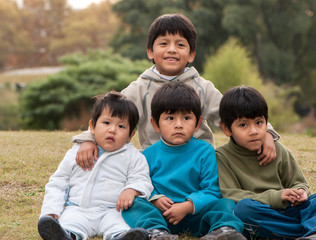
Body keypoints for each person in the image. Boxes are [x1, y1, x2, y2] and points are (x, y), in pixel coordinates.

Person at [72, 13, 279, 171]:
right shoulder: (139, 88)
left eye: (180, 45)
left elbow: (235, 113)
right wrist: (88, 139)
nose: (172, 49)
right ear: (150, 52)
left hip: (198, 163)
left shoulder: (202, 87)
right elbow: (111, 116)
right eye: (164, 43)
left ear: (191, 54)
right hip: (156, 163)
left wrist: (267, 133)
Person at [215, 86, 316, 240]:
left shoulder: (278, 150)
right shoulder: (222, 157)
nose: (254, 131)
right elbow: (231, 195)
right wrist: (277, 197)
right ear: (226, 129)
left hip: (289, 210)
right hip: (262, 215)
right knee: (243, 209)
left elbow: (299, 183)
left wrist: (300, 192)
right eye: (243, 125)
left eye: (259, 122)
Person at [121, 82, 246, 240]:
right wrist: (154, 198)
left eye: (187, 118)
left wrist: (188, 206)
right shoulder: (147, 155)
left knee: (225, 203)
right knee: (133, 202)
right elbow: (142, 183)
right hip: (161, 215)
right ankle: (156, 232)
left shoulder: (205, 151)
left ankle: (223, 231)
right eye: (170, 118)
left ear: (197, 123)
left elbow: (212, 190)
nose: (178, 125)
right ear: (155, 124)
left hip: (196, 214)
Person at [38, 91, 153, 240]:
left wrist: (132, 190)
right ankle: (66, 236)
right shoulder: (77, 152)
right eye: (106, 123)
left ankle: (122, 237)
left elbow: (142, 179)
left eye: (121, 126)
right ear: (92, 126)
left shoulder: (134, 157)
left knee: (120, 225)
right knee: (70, 222)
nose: (112, 129)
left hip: (114, 210)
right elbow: (58, 183)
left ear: (131, 135)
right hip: (79, 208)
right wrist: (50, 210)